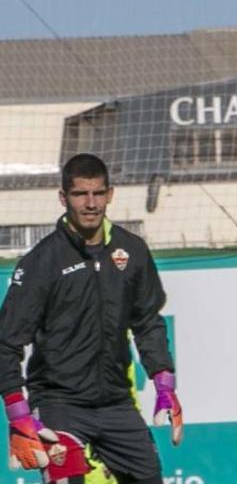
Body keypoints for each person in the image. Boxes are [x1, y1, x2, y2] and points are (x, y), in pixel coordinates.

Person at [0, 153, 183, 484]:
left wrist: (165, 385)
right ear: (63, 198)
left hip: (116, 402)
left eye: (98, 193)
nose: (90, 203)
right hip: (59, 404)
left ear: (110, 195)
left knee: (150, 477)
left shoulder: (132, 251)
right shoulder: (41, 262)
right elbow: (6, 342)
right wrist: (18, 415)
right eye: (80, 194)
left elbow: (147, 323)